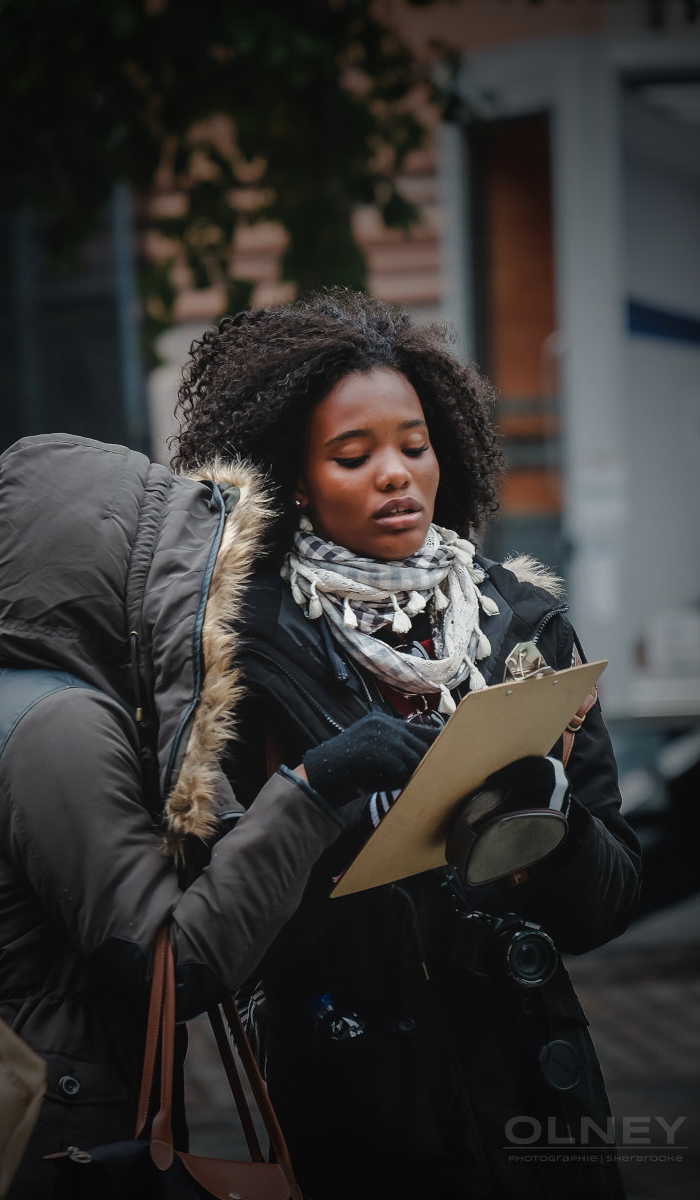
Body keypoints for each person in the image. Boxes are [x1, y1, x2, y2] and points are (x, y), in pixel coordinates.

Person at [173, 289, 642, 1199]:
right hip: (361, 1111)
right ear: (296, 477)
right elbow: (219, 926)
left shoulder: (526, 625)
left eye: (414, 446)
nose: (396, 473)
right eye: (355, 455)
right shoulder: (242, 656)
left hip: (541, 1104)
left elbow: (611, 900)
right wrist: (326, 798)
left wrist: (551, 834)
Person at [0, 432, 435, 1198]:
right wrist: (319, 782)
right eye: (173, 578)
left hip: (27, 1125)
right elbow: (166, 971)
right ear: (115, 580)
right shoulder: (59, 721)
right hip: (56, 1148)